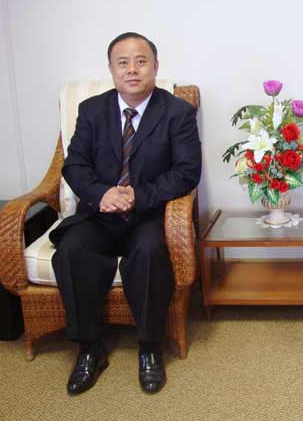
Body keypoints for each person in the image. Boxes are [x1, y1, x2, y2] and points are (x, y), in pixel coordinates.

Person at [50, 32, 202, 395]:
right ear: (112, 70)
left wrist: (136, 196)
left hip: (146, 214)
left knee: (149, 253)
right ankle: (89, 348)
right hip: (99, 213)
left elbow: (186, 172)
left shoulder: (177, 112)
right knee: (71, 251)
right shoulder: (92, 110)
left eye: (140, 61)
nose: (132, 70)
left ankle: (149, 347)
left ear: (155, 67)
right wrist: (102, 194)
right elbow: (75, 165)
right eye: (123, 63)